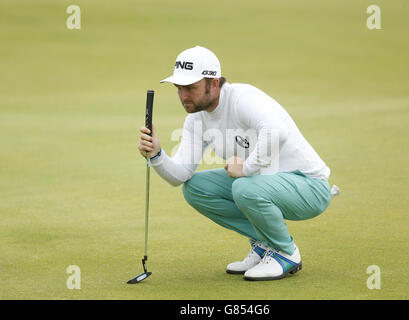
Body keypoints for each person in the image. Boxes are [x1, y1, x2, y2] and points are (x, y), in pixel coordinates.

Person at [138, 46, 339, 281]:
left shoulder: (243, 99)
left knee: (243, 186)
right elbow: (180, 175)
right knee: (195, 188)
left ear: (213, 83)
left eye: (190, 88)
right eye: (179, 88)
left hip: (310, 187)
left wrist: (246, 168)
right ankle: (265, 245)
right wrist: (157, 155)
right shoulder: (196, 119)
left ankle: (286, 253)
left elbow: (276, 132)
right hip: (267, 185)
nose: (183, 96)